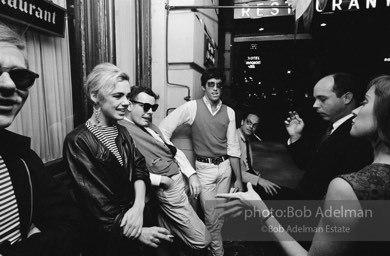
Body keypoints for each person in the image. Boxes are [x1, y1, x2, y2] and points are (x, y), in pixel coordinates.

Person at [217, 74, 390, 256]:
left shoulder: (355, 142)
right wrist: (295, 137)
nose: (315, 105)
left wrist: (261, 210)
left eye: (365, 102)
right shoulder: (333, 128)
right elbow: (312, 165)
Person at [63, 63, 173, 256]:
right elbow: (96, 203)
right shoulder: (78, 141)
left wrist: (138, 207)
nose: (126, 104)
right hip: (109, 236)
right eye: (117, 96)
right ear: (95, 96)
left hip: (137, 218)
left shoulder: (122, 131)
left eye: (127, 96)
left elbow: (140, 169)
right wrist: (137, 233)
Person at [0, 22, 84, 255]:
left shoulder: (22, 158)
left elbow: (71, 224)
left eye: (21, 76)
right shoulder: (80, 139)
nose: (9, 85)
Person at [159, 67, 243, 256]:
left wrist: (238, 179)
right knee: (212, 218)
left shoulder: (229, 112)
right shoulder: (192, 107)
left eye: (219, 85)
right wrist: (180, 161)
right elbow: (163, 130)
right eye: (211, 85)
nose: (215, 89)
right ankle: (218, 253)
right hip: (204, 170)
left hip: (225, 168)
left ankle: (214, 250)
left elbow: (233, 148)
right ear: (203, 87)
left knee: (219, 217)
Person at [119, 86, 211, 253]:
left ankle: (168, 235)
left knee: (170, 236)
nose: (149, 112)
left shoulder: (150, 126)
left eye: (153, 108)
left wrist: (191, 174)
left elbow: (171, 149)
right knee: (203, 240)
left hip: (179, 182)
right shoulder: (122, 130)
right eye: (144, 106)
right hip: (168, 188)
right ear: (130, 105)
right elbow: (127, 170)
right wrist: (163, 181)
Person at [285, 73, 373, 199]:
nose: (315, 105)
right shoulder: (326, 125)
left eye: (322, 99)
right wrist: (295, 136)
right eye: (315, 99)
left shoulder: (358, 133)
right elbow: (306, 164)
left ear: (347, 98)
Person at [237, 112, 280, 195]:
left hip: (250, 178)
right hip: (242, 183)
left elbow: (247, 164)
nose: (251, 127)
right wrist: (259, 180)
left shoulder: (247, 140)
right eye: (249, 122)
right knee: (276, 194)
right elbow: (234, 172)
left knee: (277, 190)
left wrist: (256, 174)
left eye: (255, 125)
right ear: (242, 122)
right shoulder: (233, 138)